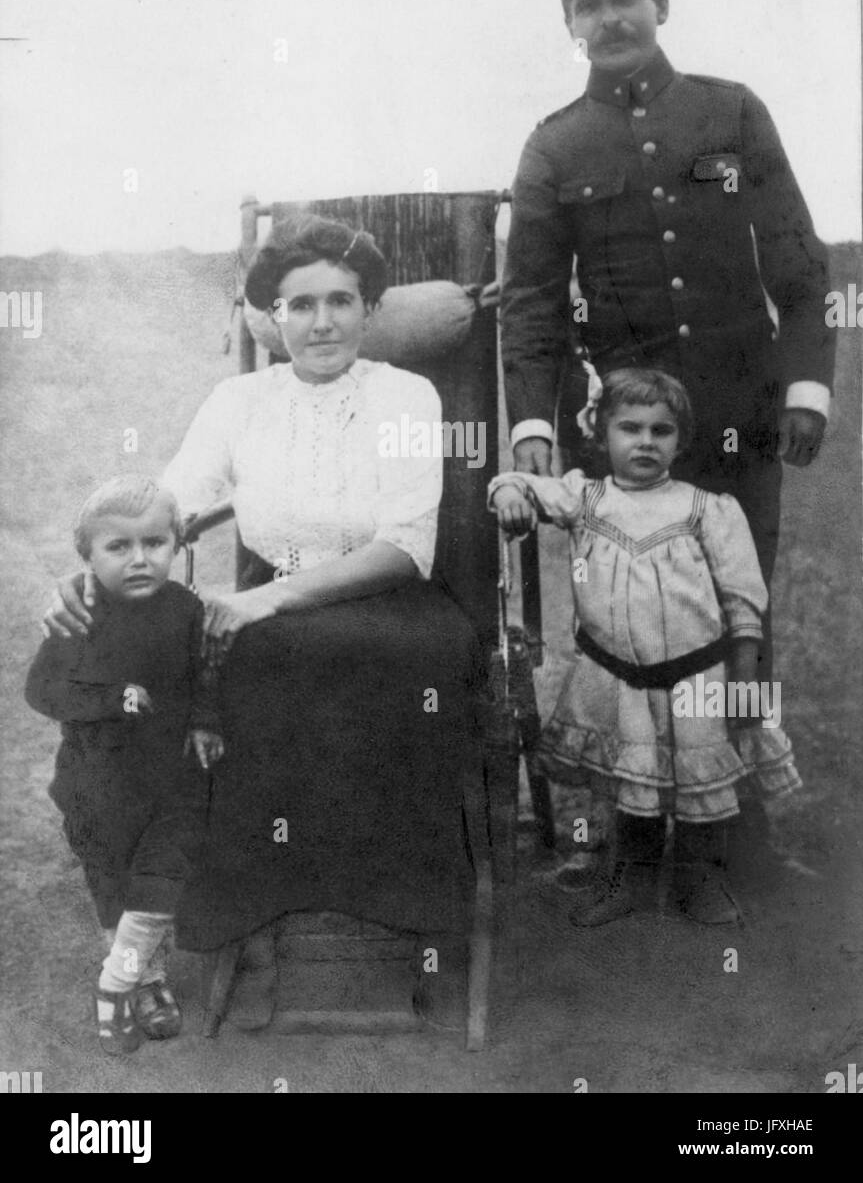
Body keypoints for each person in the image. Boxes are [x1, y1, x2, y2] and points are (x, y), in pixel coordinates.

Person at [43, 214, 482, 1029]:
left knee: (395, 679)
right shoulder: (238, 399)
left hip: (391, 610)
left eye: (342, 302)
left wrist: (262, 600)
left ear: (369, 309)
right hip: (269, 609)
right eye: (300, 304)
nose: (322, 323)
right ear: (269, 317)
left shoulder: (406, 395)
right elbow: (167, 508)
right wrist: (95, 573)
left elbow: (404, 548)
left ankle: (406, 913)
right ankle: (247, 907)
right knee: (207, 678)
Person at [500, 0, 834, 877]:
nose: (609, 18)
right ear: (570, 22)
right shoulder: (555, 147)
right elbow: (530, 303)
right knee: (621, 625)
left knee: (738, 611)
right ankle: (634, 835)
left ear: (660, 3)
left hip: (742, 416)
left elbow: (800, 266)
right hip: (630, 434)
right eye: (587, 5)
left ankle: (741, 835)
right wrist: (532, 422)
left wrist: (805, 381)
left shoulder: (730, 113)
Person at [489, 369, 801, 926]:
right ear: (599, 433)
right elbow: (522, 485)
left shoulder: (707, 509)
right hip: (618, 677)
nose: (645, 442)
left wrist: (746, 672)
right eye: (629, 428)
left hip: (698, 676)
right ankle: (628, 877)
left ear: (680, 442)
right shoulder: (585, 498)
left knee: (701, 783)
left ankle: (699, 879)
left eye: (662, 431)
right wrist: (511, 491)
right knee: (634, 783)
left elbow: (742, 596)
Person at [25, 475, 223, 1055]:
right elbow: (43, 691)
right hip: (98, 786)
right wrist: (113, 699)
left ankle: (121, 985)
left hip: (172, 782)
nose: (140, 559)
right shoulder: (80, 615)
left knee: (158, 882)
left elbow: (204, 672)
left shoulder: (185, 608)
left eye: (156, 543)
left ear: (177, 545)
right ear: (86, 556)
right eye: (118, 547)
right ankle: (146, 978)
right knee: (115, 887)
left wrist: (205, 721)